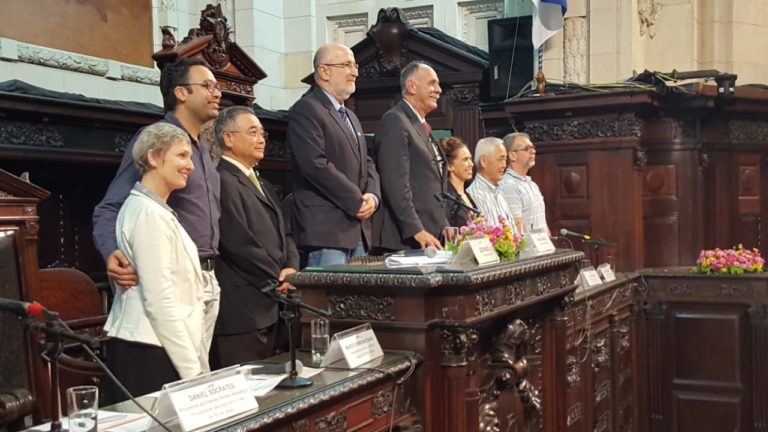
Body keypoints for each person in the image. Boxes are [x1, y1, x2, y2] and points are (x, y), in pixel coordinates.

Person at [92, 58, 222, 358]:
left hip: (207, 276)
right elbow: (109, 207)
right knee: (179, 374)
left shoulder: (201, 145)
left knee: (197, 376)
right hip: (170, 284)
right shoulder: (158, 140)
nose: (216, 93)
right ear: (181, 93)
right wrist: (111, 249)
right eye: (207, 86)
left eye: (216, 86)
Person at [103, 123, 208, 399]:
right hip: (148, 349)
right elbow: (159, 299)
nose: (191, 166)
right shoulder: (147, 213)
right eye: (182, 156)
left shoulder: (155, 210)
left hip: (160, 344)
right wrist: (192, 372)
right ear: (153, 157)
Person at [210, 106, 299, 368]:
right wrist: (277, 274)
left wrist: (292, 267)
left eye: (262, 133)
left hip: (273, 303)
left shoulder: (264, 183)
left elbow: (286, 232)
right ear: (228, 138)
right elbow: (237, 243)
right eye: (252, 132)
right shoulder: (221, 180)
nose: (261, 139)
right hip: (243, 308)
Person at [287, 43, 381, 266]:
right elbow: (314, 164)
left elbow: (367, 160)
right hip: (327, 231)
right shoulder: (307, 109)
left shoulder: (350, 115)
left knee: (360, 300)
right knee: (327, 300)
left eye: (354, 65)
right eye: (346, 65)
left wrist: (373, 197)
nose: (355, 72)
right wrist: (356, 200)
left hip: (358, 229)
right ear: (324, 71)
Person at [373, 61, 448, 251]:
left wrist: (445, 226)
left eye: (438, 84)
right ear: (411, 86)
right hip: (405, 239)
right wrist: (415, 229)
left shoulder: (422, 125)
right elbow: (395, 183)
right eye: (432, 83)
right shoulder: (395, 120)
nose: (438, 90)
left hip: (431, 236)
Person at [501, 133, 550, 235]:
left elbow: (543, 224)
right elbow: (516, 229)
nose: (533, 151)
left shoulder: (532, 185)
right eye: (527, 148)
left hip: (543, 248)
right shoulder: (508, 186)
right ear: (512, 155)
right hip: (529, 250)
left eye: (533, 147)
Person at [467, 137, 516, 228]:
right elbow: (485, 235)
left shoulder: (500, 192)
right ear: (483, 161)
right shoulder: (475, 195)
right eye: (500, 159)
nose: (504, 165)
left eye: (505, 159)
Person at [439, 136, 477, 227]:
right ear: (449, 166)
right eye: (465, 159)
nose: (471, 164)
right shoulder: (446, 198)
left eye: (470, 159)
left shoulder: (467, 195)